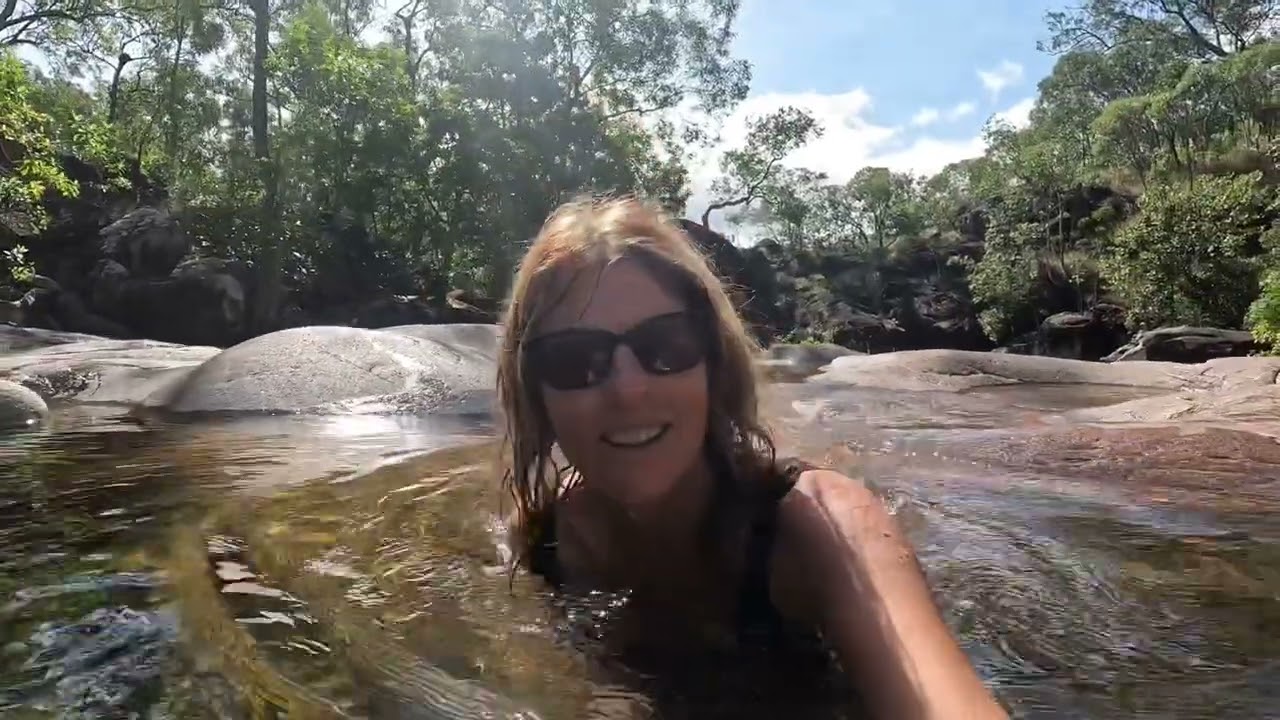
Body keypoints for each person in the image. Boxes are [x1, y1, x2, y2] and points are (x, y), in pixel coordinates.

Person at [495, 195, 1008, 720]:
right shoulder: (543, 539)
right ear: (534, 393)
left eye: (664, 345)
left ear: (714, 364)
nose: (629, 391)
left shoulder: (824, 527)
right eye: (576, 359)